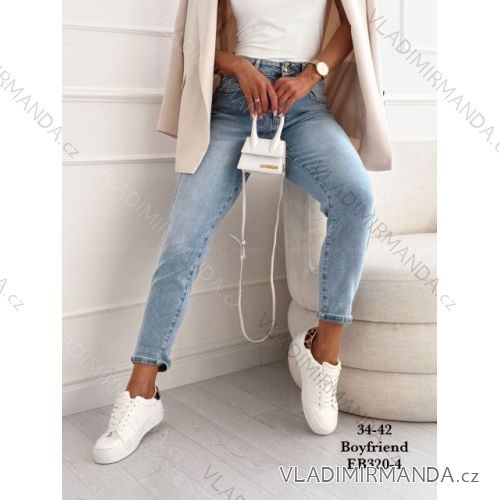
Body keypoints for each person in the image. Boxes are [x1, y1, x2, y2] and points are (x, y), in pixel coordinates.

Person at [92, 0, 387, 464]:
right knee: (182, 242)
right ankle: (141, 393)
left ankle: (322, 352)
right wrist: (237, 66)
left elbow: (353, 26)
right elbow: (195, 40)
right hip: (234, 106)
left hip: (305, 108)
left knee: (356, 199)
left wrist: (311, 75)